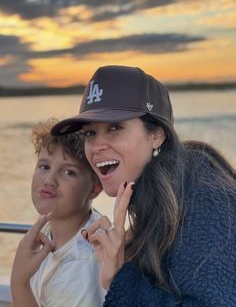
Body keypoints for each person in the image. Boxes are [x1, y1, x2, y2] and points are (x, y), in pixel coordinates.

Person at [52, 65, 236, 307]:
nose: (97, 146)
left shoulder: (202, 199)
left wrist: (120, 278)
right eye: (89, 134)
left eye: (115, 128)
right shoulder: (163, 197)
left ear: (157, 134)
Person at [10, 118, 105, 307]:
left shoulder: (84, 261)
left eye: (68, 172)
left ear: (95, 188)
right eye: (44, 167)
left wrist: (19, 282)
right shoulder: (46, 232)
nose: (49, 181)